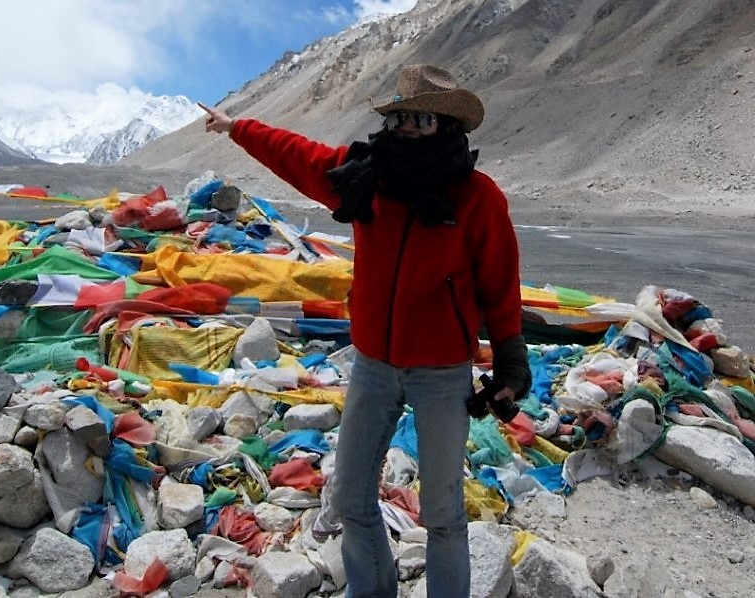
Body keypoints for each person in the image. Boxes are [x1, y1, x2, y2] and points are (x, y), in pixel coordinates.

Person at [199, 64, 530, 598]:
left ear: (446, 128)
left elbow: (499, 282)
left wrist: (511, 362)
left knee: (443, 513)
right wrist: (238, 127)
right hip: (374, 366)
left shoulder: (477, 197)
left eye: (419, 119)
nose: (404, 128)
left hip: (443, 372)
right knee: (351, 497)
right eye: (399, 116)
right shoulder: (364, 178)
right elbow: (298, 155)